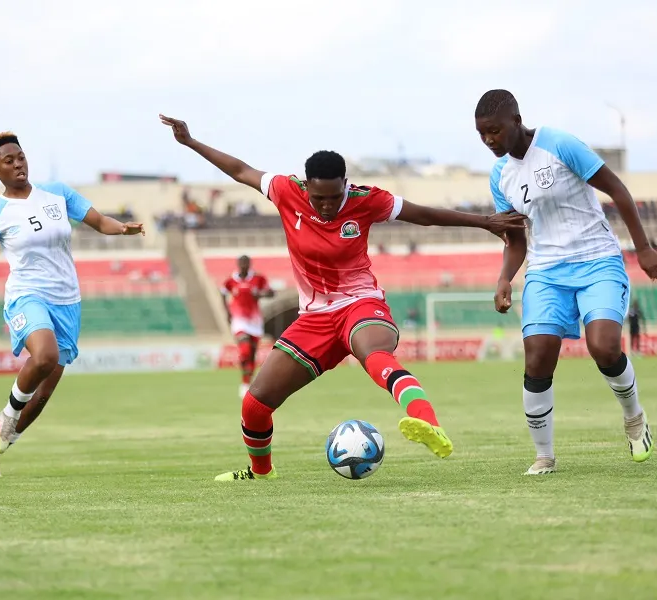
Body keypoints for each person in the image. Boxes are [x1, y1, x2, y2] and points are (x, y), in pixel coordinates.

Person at [160, 114, 527, 481]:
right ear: (306, 187)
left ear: (345, 185)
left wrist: (484, 221)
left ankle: (428, 422)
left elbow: (425, 215)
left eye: (334, 197)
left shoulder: (366, 200)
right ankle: (261, 474)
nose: (326, 206)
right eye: (318, 198)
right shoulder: (285, 190)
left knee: (375, 355)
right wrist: (191, 142)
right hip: (314, 319)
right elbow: (240, 170)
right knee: (255, 404)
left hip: (360, 304)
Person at [475, 89, 657, 475]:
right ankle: (544, 455)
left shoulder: (560, 144)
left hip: (597, 260)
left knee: (604, 347)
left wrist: (643, 249)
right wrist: (504, 278)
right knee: (537, 356)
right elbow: (515, 237)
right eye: (482, 134)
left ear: (516, 121)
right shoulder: (501, 175)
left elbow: (618, 190)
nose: (489, 141)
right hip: (547, 271)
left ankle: (634, 419)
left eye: (495, 131)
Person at [0, 132, 144, 477]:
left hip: (67, 300)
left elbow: (97, 220)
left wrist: (122, 228)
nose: (18, 164)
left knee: (43, 396)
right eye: (8, 161)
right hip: (26, 296)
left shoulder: (58, 193)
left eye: (20, 157)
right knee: (45, 356)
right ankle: (7, 413)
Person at [221, 255, 274, 399]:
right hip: (239, 321)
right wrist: (227, 312)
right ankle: (244, 385)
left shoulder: (258, 279)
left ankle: (246, 383)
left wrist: (261, 294)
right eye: (241, 262)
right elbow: (223, 294)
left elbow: (271, 292)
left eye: (246, 262)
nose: (244, 265)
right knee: (245, 350)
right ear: (238, 264)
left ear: (250, 264)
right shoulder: (231, 281)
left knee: (251, 356)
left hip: (255, 322)